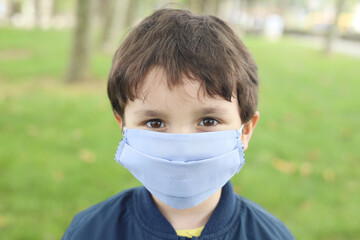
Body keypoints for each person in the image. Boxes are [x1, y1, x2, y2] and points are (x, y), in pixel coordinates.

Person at [62, 8, 295, 240]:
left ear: (245, 130)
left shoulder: (272, 236)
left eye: (208, 121)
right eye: (154, 123)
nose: (181, 146)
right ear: (123, 127)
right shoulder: (89, 232)